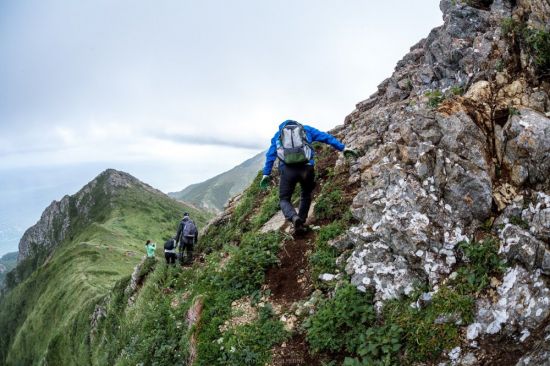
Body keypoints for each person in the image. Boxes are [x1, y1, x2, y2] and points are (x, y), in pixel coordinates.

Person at [260, 120, 357, 232]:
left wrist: (266, 174)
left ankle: (294, 218)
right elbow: (325, 137)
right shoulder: (306, 129)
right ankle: (301, 222)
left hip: (287, 171)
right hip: (306, 169)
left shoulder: (278, 135)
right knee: (305, 194)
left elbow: (270, 155)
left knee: (284, 199)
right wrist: (343, 148)